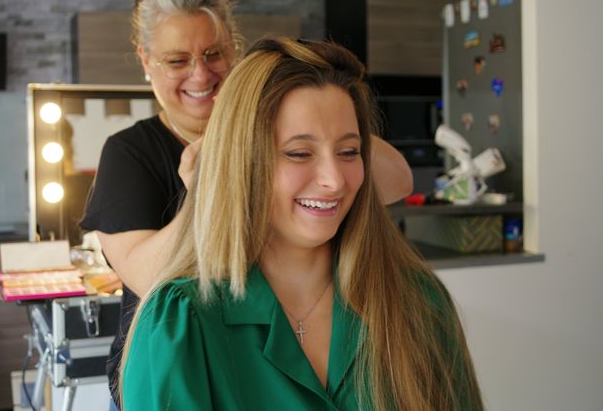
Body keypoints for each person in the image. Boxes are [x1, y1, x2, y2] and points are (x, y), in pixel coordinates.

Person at [80, 0, 413, 407]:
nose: (200, 74)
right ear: (146, 61)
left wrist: (318, 134)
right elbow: (148, 276)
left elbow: (395, 180)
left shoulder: (276, 124)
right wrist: (213, 184)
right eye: (178, 60)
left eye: (213, 54)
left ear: (234, 50)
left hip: (290, 349)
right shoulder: (128, 153)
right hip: (184, 364)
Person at [120, 36, 484, 410]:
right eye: (298, 153)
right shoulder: (180, 324)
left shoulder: (417, 300)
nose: (335, 180)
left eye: (348, 152)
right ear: (242, 163)